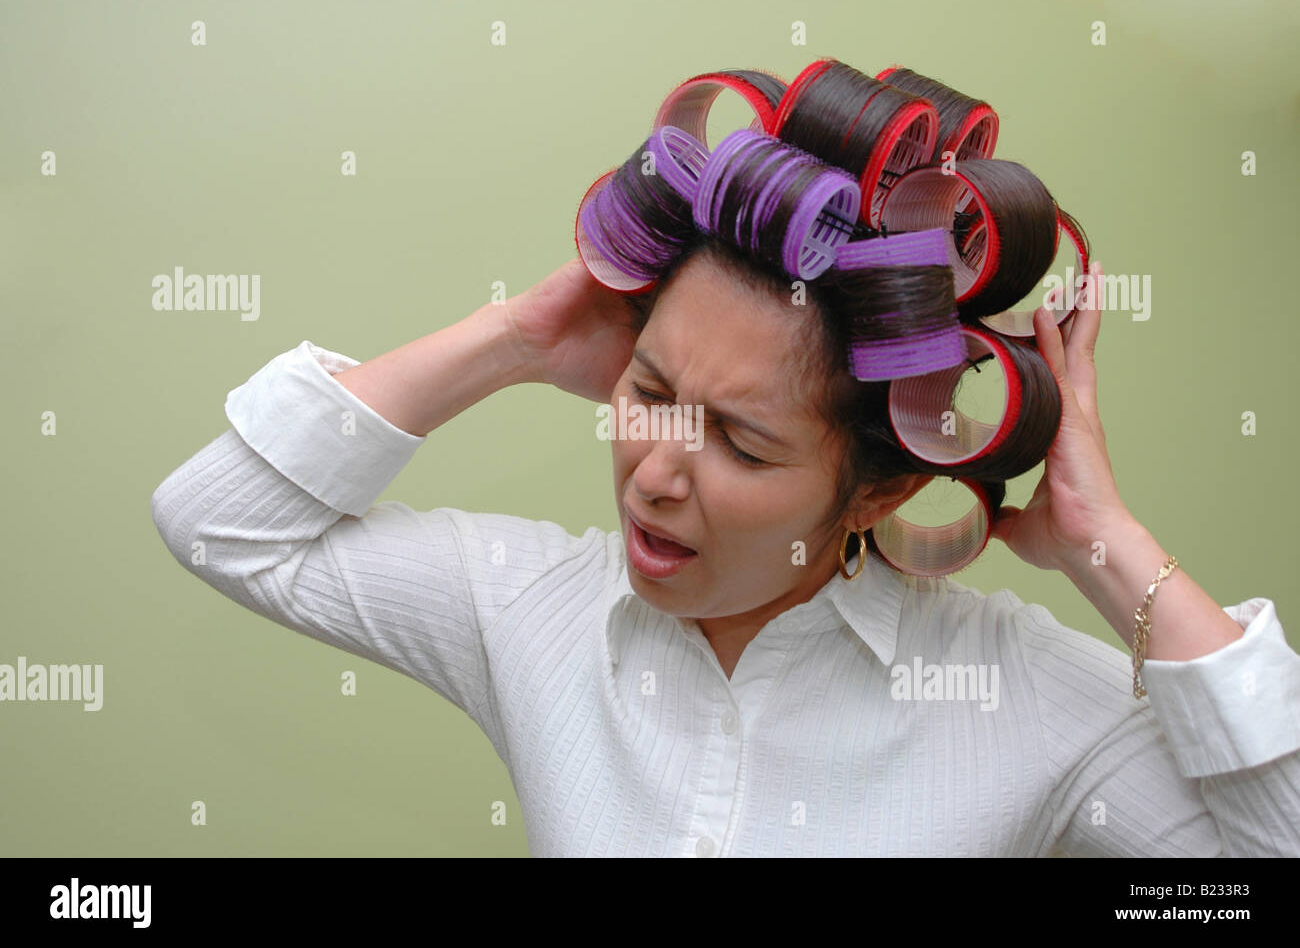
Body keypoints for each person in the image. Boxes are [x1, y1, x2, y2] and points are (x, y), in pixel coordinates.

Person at [151, 240, 1300, 857]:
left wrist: (1106, 545)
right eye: (647, 394)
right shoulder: (527, 606)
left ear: (878, 488)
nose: (653, 471)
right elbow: (222, 524)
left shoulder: (1021, 693)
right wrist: (512, 338)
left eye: (742, 447)